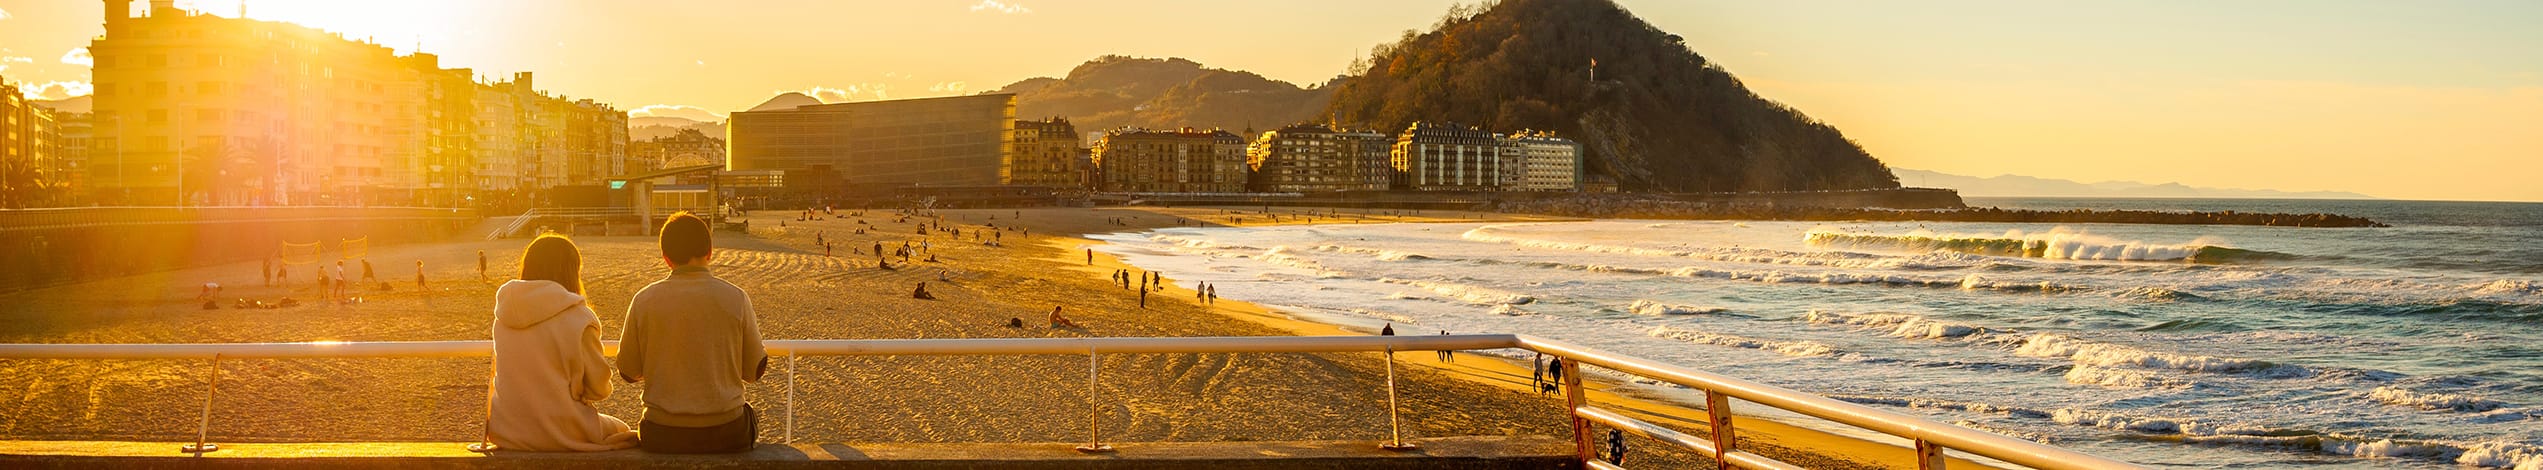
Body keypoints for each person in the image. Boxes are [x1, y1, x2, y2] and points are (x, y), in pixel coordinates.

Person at [617, 213, 767, 454]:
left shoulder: (644, 300)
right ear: (709, 253)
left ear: (666, 258)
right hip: (727, 430)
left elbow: (628, 371)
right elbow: (754, 370)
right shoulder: (736, 297)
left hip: (662, 432)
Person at [487, 234, 639, 451]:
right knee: (623, 431)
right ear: (571, 271)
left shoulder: (503, 316)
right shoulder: (579, 316)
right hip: (561, 429)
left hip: (507, 430)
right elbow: (598, 389)